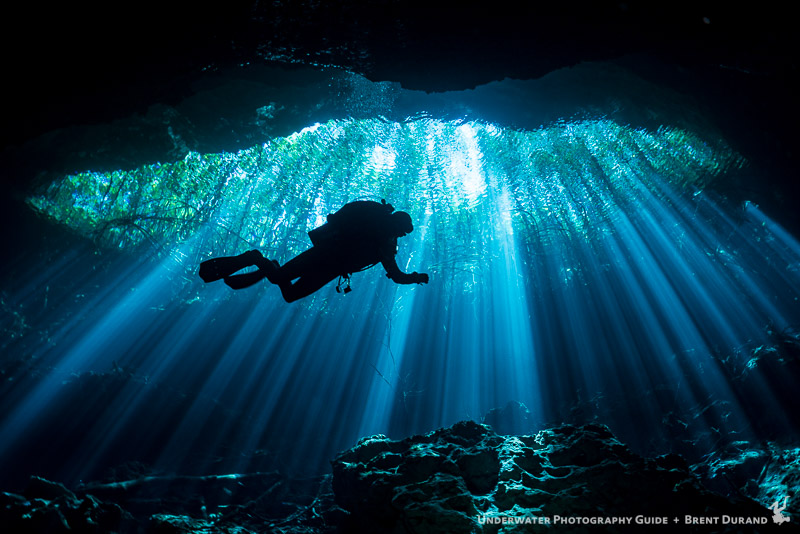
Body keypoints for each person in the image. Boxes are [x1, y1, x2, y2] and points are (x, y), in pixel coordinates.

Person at [199, 200, 429, 302]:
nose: (401, 235)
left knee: (290, 295)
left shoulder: (386, 244)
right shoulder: (383, 237)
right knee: (279, 279)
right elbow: (396, 274)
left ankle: (271, 268)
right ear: (397, 223)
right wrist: (414, 278)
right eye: (403, 231)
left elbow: (396, 275)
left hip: (331, 269)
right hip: (324, 255)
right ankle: (255, 259)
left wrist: (415, 278)